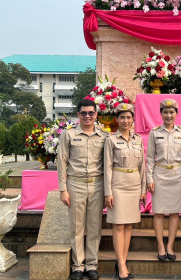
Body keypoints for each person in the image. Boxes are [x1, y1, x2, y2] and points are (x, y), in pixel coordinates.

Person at [57, 99, 108, 280]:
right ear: (78, 115)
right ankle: (78, 266)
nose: (87, 116)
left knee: (94, 227)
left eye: (91, 113)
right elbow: (62, 162)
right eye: (84, 113)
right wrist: (63, 189)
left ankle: (92, 265)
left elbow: (107, 164)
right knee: (77, 227)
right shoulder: (68, 135)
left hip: (97, 185)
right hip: (76, 184)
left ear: (96, 115)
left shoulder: (103, 136)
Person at [146, 99, 181, 262]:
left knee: (174, 212)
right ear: (161, 114)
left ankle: (170, 245)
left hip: (178, 174)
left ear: (176, 114)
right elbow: (150, 158)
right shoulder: (155, 132)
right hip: (160, 175)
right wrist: (149, 178)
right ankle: (160, 246)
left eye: (172, 112)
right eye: (165, 112)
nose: (168, 115)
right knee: (158, 212)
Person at [104, 104, 146, 280]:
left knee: (129, 225)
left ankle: (123, 260)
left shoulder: (138, 140)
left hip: (134, 185)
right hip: (118, 185)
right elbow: (107, 167)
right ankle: (121, 264)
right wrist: (108, 192)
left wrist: (143, 189)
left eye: (129, 117)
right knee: (119, 225)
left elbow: (143, 166)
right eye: (122, 117)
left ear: (132, 119)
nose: (126, 121)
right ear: (117, 120)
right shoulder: (111, 140)